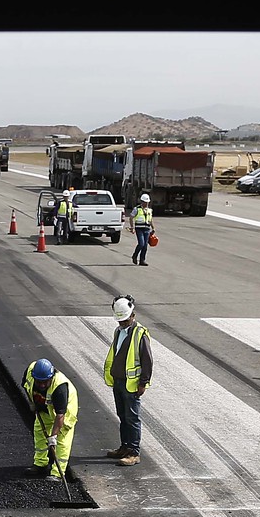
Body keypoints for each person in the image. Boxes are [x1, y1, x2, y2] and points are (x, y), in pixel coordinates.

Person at [102, 295, 154, 465]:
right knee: (123, 416)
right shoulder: (118, 331)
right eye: (120, 321)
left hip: (131, 385)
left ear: (133, 315)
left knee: (132, 418)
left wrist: (143, 383)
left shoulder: (140, 334)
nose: (122, 323)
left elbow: (147, 360)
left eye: (125, 320)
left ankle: (133, 452)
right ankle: (124, 447)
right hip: (118, 381)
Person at [22, 358, 78, 481]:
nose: (42, 385)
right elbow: (26, 387)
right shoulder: (30, 372)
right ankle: (40, 463)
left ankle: (57, 473)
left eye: (45, 382)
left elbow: (60, 416)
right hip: (45, 407)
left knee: (62, 441)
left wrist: (53, 437)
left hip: (65, 411)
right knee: (39, 433)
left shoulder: (60, 388)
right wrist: (32, 403)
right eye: (39, 382)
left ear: (51, 377)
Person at [131, 194, 154, 266]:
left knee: (145, 246)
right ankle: (135, 256)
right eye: (145, 202)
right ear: (142, 202)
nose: (146, 204)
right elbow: (131, 218)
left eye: (147, 202)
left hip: (147, 229)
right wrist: (132, 227)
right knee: (141, 244)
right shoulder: (137, 209)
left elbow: (150, 220)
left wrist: (153, 228)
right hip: (139, 229)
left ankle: (142, 260)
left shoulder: (149, 210)